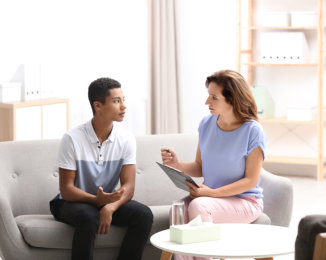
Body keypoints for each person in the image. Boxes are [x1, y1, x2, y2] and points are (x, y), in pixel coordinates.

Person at [161, 70, 265, 260]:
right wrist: (178, 165)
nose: (207, 102)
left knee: (199, 206)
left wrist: (210, 193)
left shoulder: (253, 131)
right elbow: (200, 166)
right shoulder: (207, 124)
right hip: (210, 197)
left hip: (244, 201)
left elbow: (251, 181)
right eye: (208, 96)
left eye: (213, 97)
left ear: (232, 99)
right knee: (177, 210)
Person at [49, 77, 153, 260]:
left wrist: (110, 207)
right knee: (89, 217)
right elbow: (66, 190)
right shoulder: (72, 139)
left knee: (143, 214)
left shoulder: (126, 139)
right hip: (71, 203)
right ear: (98, 105)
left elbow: (128, 187)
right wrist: (96, 201)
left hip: (106, 200)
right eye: (116, 101)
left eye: (123, 100)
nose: (124, 106)